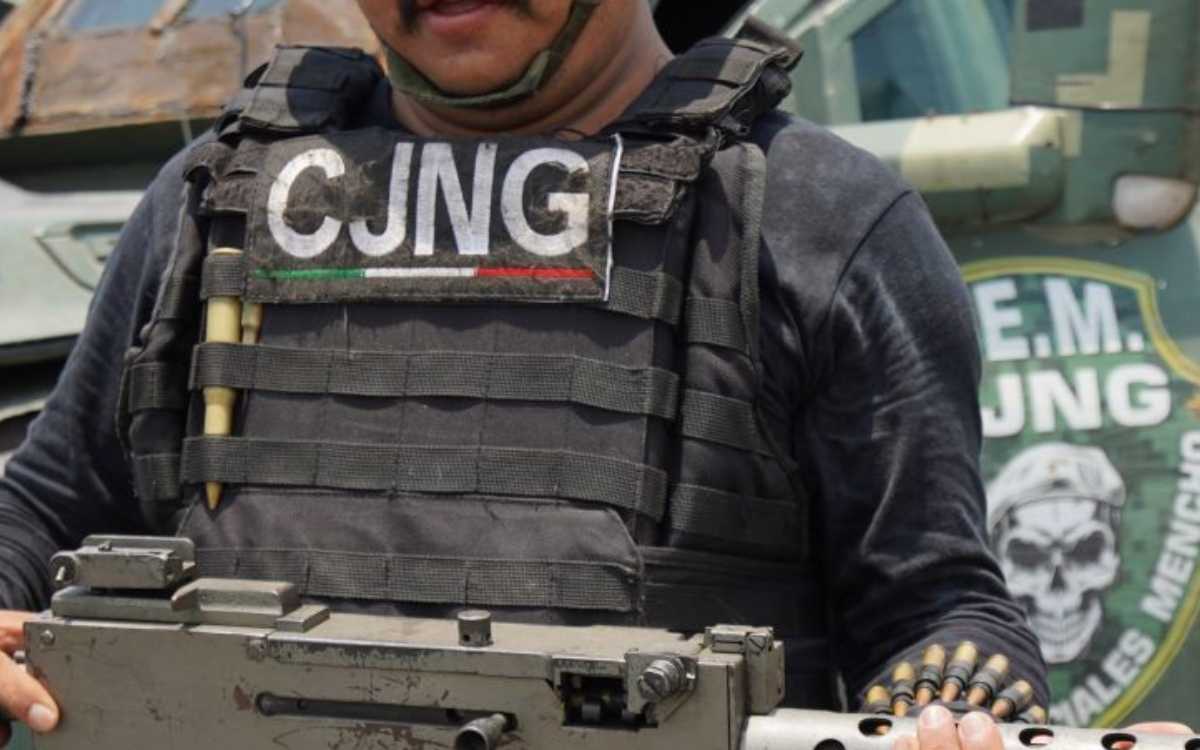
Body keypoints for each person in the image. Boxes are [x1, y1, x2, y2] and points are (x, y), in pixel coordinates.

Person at [0, 1, 1054, 747]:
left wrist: (956, 714)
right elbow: (45, 512)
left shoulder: (817, 217)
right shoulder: (211, 199)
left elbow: (933, 610)